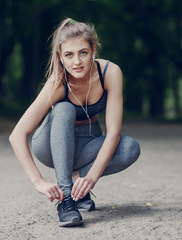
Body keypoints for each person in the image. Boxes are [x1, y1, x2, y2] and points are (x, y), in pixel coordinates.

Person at [9, 18, 140, 227]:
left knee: (130, 148)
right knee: (64, 108)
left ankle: (77, 185)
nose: (76, 62)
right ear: (60, 57)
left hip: (87, 145)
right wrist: (38, 182)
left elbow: (113, 133)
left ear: (93, 50)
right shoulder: (57, 82)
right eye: (69, 55)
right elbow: (17, 135)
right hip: (51, 146)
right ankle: (67, 199)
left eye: (83, 53)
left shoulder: (110, 73)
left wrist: (91, 178)